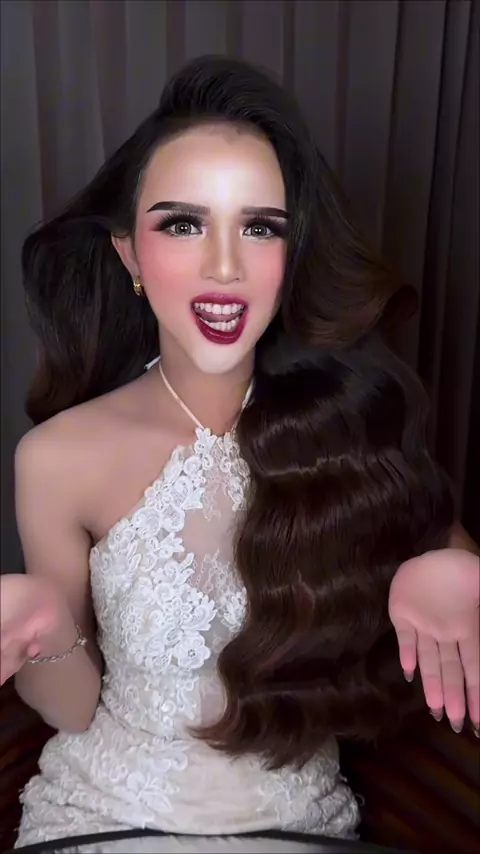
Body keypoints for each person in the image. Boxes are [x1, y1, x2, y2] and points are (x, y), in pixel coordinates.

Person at [1, 56, 478, 853]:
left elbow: (450, 578)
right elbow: (72, 707)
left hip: (299, 823)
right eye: (183, 224)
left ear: (293, 255)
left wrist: (447, 562)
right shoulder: (56, 457)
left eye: (260, 227)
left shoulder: (353, 422)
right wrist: (46, 626)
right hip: (111, 816)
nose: (224, 266)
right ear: (129, 254)